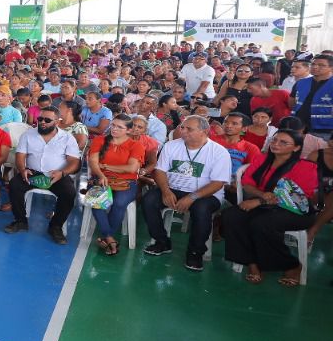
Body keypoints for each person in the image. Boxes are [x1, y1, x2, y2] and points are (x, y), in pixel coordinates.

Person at [222, 129, 319, 287]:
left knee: (262, 224)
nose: (276, 144)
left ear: (296, 148)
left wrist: (260, 202)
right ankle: (251, 262)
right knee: (231, 216)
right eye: (274, 140)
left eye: (283, 142)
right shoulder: (262, 159)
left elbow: (297, 197)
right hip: (264, 204)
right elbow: (247, 184)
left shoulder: (306, 167)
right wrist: (262, 195)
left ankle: (291, 265)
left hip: (295, 210)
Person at [140, 115, 232, 270]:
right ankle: (162, 241)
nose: (183, 131)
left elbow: (218, 183)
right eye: (182, 127)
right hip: (173, 188)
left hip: (205, 194)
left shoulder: (219, 152)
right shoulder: (171, 146)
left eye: (189, 129)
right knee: (149, 200)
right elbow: (160, 171)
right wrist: (166, 191)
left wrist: (192, 197)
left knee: (201, 210)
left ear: (204, 131)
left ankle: (195, 252)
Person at [5, 108, 82, 244]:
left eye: (47, 120)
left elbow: (74, 161)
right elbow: (20, 155)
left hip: (57, 174)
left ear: (57, 122)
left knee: (69, 193)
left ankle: (55, 226)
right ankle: (20, 221)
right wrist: (22, 169)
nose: (42, 122)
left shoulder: (67, 138)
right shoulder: (28, 135)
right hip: (33, 173)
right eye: (40, 119)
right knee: (14, 185)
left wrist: (62, 173)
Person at [86, 114, 146, 255]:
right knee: (97, 200)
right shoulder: (99, 140)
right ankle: (110, 238)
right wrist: (101, 175)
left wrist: (105, 166)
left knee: (119, 203)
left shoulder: (136, 145)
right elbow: (93, 163)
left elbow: (131, 168)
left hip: (126, 182)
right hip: (100, 178)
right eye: (113, 125)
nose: (114, 129)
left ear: (129, 130)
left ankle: (107, 237)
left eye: (120, 127)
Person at [290, 54, 333, 139]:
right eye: (313, 64)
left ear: (331, 68)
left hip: (324, 130)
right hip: (298, 127)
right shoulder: (301, 82)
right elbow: (291, 103)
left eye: (321, 65)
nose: (315, 67)